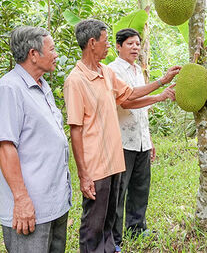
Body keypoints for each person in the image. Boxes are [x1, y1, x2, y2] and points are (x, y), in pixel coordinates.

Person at [64, 19, 174, 253]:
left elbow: (130, 95)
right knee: (93, 223)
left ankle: (110, 249)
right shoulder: (75, 81)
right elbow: (75, 129)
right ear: (92, 43)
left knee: (108, 219)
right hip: (96, 163)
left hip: (115, 159)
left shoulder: (105, 72)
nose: (107, 46)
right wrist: (83, 174)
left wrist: (161, 84)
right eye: (105, 42)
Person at [0, 26, 71, 252]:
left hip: (55, 204)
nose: (56, 54)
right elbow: (5, 147)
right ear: (33, 54)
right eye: (52, 49)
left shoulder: (43, 87)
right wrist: (22, 199)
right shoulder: (9, 89)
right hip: (31, 210)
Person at [108, 28, 179, 250]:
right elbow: (126, 102)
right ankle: (115, 238)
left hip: (140, 140)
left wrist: (148, 139)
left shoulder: (139, 70)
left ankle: (137, 228)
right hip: (122, 141)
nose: (135, 48)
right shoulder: (113, 71)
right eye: (130, 44)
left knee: (141, 187)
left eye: (138, 44)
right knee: (119, 191)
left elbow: (142, 107)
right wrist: (160, 89)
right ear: (118, 46)